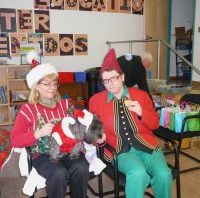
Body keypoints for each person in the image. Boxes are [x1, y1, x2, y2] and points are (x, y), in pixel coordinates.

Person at [89, 49, 172, 198]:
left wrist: (141, 112)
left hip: (147, 146)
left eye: (113, 78)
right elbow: (93, 131)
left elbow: (155, 125)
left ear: (122, 77)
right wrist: (98, 139)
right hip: (119, 149)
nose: (109, 84)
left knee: (164, 174)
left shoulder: (141, 96)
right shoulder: (96, 101)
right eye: (105, 80)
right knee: (138, 173)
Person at [10, 63, 89, 198]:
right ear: (36, 86)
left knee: (81, 167)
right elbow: (15, 140)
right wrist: (38, 133)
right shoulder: (27, 110)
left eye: (55, 83)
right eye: (47, 84)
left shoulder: (65, 104)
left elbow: (80, 126)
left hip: (68, 150)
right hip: (42, 155)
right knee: (58, 173)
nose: (52, 88)